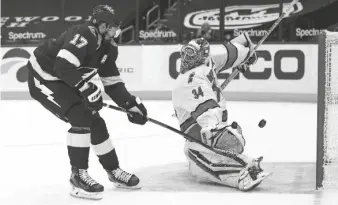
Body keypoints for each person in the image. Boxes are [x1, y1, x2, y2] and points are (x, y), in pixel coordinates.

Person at [27, 5, 148, 200]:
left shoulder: (108, 47)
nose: (115, 30)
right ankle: (78, 177)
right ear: (101, 24)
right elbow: (62, 66)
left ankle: (113, 170)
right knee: (80, 116)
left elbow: (113, 83)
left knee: (95, 121)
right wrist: (86, 88)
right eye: (112, 26)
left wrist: (131, 104)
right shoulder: (84, 33)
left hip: (63, 78)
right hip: (43, 76)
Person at [172, 35, 271, 191]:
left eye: (192, 55)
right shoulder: (211, 60)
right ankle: (222, 148)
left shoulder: (188, 80)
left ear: (202, 56)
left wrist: (213, 132)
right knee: (194, 154)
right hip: (220, 123)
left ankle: (243, 171)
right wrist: (248, 55)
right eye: (186, 54)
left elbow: (207, 114)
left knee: (191, 151)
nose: (187, 60)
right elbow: (239, 44)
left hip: (207, 129)